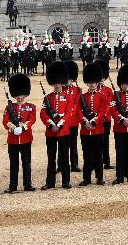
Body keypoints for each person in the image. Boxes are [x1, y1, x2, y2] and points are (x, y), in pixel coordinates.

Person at [40, 60, 72, 190]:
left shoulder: (67, 96)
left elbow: (69, 112)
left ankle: (66, 181)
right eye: (55, 82)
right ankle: (50, 182)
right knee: (51, 158)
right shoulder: (47, 97)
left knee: (65, 157)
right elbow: (43, 113)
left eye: (59, 82)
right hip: (51, 131)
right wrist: (51, 124)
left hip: (63, 131)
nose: (57, 85)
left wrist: (60, 123)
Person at [3, 73, 36, 193]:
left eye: (21, 94)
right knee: (14, 164)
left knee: (26, 163)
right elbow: (5, 121)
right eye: (17, 94)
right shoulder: (9, 107)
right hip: (13, 139)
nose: (19, 96)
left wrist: (23, 128)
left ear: (25, 94)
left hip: (26, 138)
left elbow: (32, 119)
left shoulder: (31, 107)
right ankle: (13, 186)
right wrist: (13, 129)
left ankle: (28, 185)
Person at [78, 62, 107, 186]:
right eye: (90, 83)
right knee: (87, 155)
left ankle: (99, 177)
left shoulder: (102, 96)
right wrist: (85, 122)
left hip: (97, 129)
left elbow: (103, 111)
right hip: (85, 130)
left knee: (98, 155)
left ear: (97, 83)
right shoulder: (82, 97)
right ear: (87, 83)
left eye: (94, 83)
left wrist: (94, 121)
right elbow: (78, 111)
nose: (92, 85)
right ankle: (86, 178)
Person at [63, 61, 82, 173]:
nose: (68, 81)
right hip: (63, 122)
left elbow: (77, 104)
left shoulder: (77, 90)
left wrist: (69, 112)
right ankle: (61, 164)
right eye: (67, 79)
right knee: (62, 145)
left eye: (70, 79)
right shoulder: (61, 90)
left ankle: (74, 164)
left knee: (73, 144)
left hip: (73, 121)